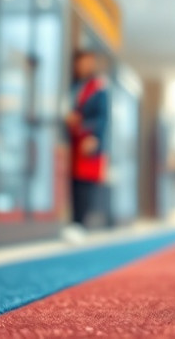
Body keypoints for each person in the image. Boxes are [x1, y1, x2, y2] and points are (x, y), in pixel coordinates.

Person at [64, 50, 109, 240]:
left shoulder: (99, 88)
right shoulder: (74, 86)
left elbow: (103, 117)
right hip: (74, 142)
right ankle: (74, 223)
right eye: (82, 62)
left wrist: (94, 136)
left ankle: (81, 224)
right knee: (74, 183)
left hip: (89, 142)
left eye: (89, 62)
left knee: (86, 184)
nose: (85, 66)